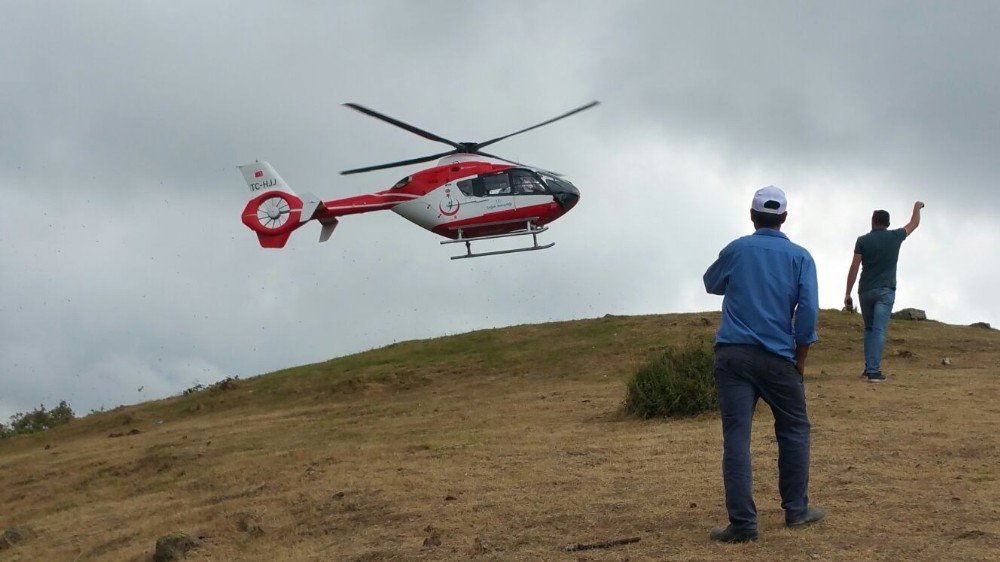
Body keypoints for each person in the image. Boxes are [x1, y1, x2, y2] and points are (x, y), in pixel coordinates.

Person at [702, 185, 824, 543]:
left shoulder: (737, 249)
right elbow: (809, 312)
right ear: (784, 218)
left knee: (736, 438)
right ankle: (797, 510)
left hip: (733, 355)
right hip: (778, 358)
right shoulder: (801, 257)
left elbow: (711, 283)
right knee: (794, 430)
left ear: (752, 215)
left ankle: (743, 525)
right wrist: (800, 359)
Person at [843, 202, 924, 383]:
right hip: (885, 290)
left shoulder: (862, 240)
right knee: (878, 330)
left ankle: (868, 368)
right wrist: (917, 207)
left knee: (869, 329)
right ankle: (873, 371)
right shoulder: (895, 236)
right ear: (888, 223)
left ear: (872, 222)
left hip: (865, 290)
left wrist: (847, 294)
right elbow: (914, 223)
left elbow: (854, 267)